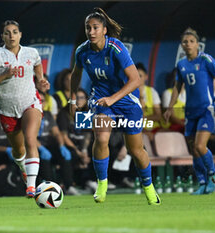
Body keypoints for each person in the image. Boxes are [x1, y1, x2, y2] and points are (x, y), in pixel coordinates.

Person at [70, 8, 161, 205]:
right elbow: (76, 74)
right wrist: (71, 99)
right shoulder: (82, 51)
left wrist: (113, 98)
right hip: (102, 100)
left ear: (104, 30)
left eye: (95, 28)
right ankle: (102, 184)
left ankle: (149, 187)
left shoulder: (116, 48)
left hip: (127, 101)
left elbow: (135, 80)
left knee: (136, 150)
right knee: (101, 137)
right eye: (88, 28)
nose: (91, 32)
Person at [0, 20, 50, 198]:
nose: (11, 35)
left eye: (15, 32)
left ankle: (31, 187)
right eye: (7, 33)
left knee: (30, 139)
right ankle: (22, 168)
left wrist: (40, 79)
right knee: (18, 151)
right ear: (2, 36)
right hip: (7, 109)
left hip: (30, 102)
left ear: (20, 35)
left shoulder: (31, 52)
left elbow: (37, 63)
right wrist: (3, 76)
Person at [164, 28, 215, 195]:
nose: (188, 44)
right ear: (182, 45)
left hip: (206, 109)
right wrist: (170, 107)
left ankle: (213, 176)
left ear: (197, 44)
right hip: (190, 112)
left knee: (200, 145)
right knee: (193, 149)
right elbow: (177, 87)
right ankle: (202, 182)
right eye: (185, 42)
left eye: (191, 41)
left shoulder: (206, 59)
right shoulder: (181, 64)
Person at [36, 91, 81, 195]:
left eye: (42, 101)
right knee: (44, 157)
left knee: (66, 154)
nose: (40, 103)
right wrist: (41, 148)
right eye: (38, 100)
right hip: (35, 146)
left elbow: (57, 133)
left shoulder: (47, 115)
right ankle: (50, 187)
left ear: (45, 103)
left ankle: (68, 186)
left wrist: (61, 145)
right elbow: (29, 137)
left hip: (48, 144)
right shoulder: (30, 115)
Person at [57, 88, 97, 192]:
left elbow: (87, 135)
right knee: (72, 153)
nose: (79, 100)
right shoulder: (64, 113)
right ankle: (69, 186)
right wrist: (78, 152)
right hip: (68, 145)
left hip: (80, 145)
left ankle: (90, 181)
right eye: (76, 98)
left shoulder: (85, 113)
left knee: (94, 150)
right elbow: (64, 136)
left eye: (82, 98)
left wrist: (83, 151)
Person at [136, 63, 162, 141]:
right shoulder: (128, 93)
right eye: (135, 76)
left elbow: (158, 116)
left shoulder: (152, 92)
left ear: (146, 77)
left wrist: (145, 118)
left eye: (140, 76)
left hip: (154, 127)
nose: (137, 78)